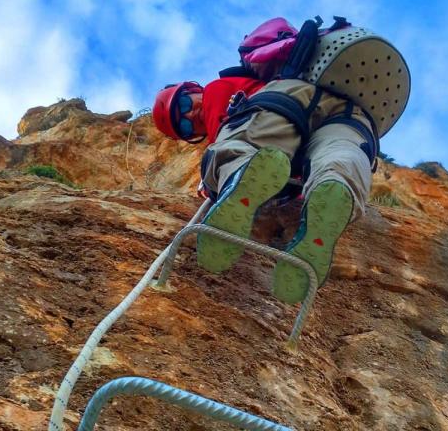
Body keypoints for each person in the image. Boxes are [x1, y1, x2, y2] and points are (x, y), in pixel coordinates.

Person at [152, 75, 376, 304]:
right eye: (185, 126)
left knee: (234, 148)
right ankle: (334, 186)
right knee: (342, 159)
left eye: (184, 104)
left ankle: (238, 176)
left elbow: (223, 133)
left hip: (286, 100)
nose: (189, 115)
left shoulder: (216, 89)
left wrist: (213, 187)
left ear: (193, 88)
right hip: (353, 115)